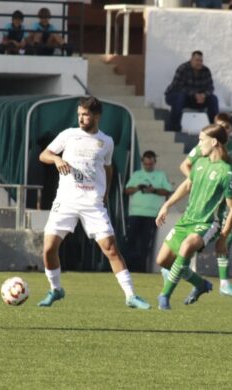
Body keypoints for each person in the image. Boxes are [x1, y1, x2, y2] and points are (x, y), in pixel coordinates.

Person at [38, 96, 151, 310]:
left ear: (97, 116)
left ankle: (131, 296)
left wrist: (106, 192)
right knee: (48, 249)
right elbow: (44, 154)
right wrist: (57, 159)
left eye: (86, 115)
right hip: (66, 200)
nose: (81, 118)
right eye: (79, 114)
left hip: (92, 202)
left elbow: (107, 167)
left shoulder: (106, 141)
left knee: (111, 249)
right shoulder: (69, 135)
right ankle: (55, 289)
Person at [156, 124, 232, 310]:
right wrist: (167, 205)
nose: (199, 143)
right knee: (162, 261)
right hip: (187, 220)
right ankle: (200, 284)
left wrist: (223, 238)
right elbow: (187, 185)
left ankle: (164, 296)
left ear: (214, 141)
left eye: (202, 139)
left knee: (186, 248)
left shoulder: (228, 172)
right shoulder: (200, 163)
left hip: (208, 223)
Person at [179, 113, 232, 297]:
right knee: (193, 237)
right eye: (220, 125)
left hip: (225, 197)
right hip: (206, 198)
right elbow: (185, 165)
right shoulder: (203, 146)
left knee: (227, 236)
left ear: (231, 129)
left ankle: (223, 283)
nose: (223, 129)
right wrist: (197, 182)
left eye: (226, 126)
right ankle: (181, 269)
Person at [124, 150, 172, 273]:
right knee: (131, 241)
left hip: (152, 215)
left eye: (150, 164)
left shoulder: (161, 175)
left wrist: (154, 190)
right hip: (135, 213)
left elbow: (168, 191)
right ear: (142, 163)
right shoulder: (136, 174)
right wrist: (138, 188)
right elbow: (127, 190)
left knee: (145, 242)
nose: (148, 166)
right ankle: (127, 267)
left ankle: (141, 268)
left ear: (154, 162)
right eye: (146, 164)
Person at [164, 50, 219, 131]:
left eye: (201, 60)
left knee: (213, 99)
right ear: (191, 60)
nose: (199, 63)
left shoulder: (206, 71)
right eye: (197, 60)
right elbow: (178, 87)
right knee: (180, 97)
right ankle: (173, 127)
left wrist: (204, 95)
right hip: (175, 96)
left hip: (196, 99)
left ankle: (214, 128)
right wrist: (195, 94)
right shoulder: (183, 69)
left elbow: (210, 88)